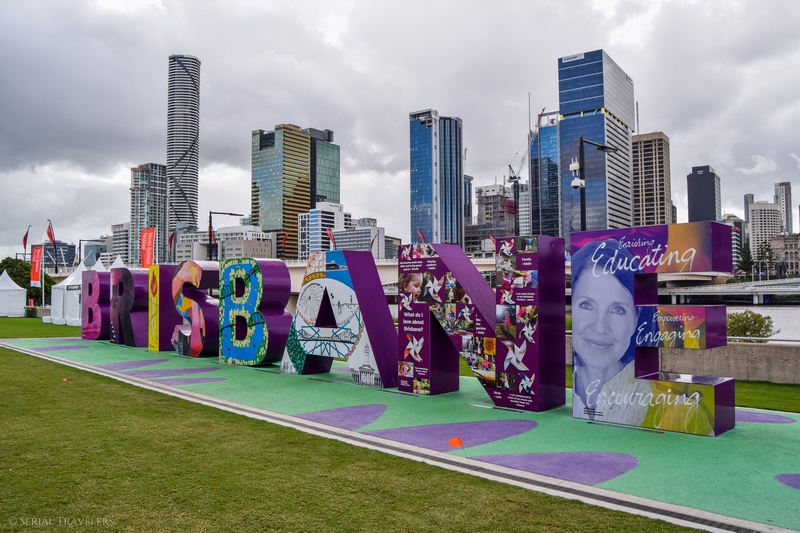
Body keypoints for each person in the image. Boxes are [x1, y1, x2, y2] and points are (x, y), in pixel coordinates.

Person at [571, 238, 649, 425]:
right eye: (587, 305)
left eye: (618, 310)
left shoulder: (678, 411)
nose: (600, 327)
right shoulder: (558, 393)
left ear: (636, 319)